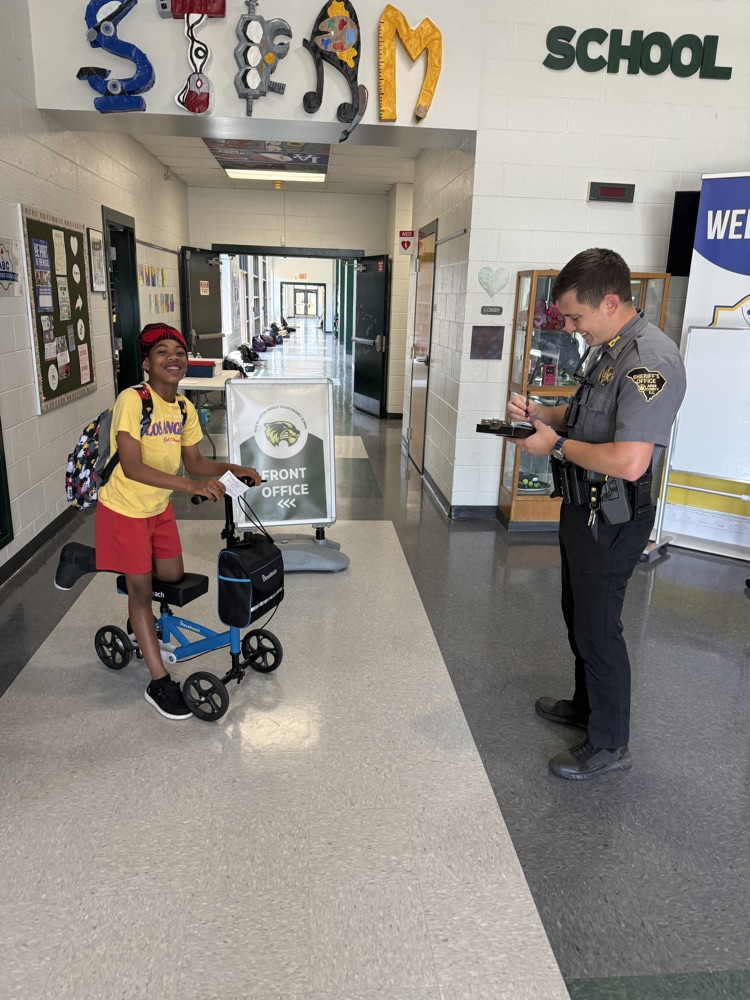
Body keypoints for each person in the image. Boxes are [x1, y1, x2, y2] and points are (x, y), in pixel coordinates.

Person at [507, 248, 686, 780]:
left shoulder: (649, 360)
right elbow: (589, 415)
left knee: (599, 625)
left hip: (613, 514)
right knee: (578, 613)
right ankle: (587, 708)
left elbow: (630, 461)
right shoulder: (609, 347)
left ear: (610, 302)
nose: (568, 326)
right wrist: (543, 414)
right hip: (584, 505)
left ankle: (609, 742)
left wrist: (555, 445)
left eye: (575, 316)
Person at [54, 323, 262, 721]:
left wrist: (236, 468)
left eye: (179, 351)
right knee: (142, 592)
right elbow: (131, 467)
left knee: (172, 575)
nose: (173, 358)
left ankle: (87, 558)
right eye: (162, 351)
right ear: (146, 362)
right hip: (125, 508)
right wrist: (190, 485)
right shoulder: (133, 400)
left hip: (158, 508)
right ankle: (158, 681)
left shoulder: (183, 407)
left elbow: (196, 462)